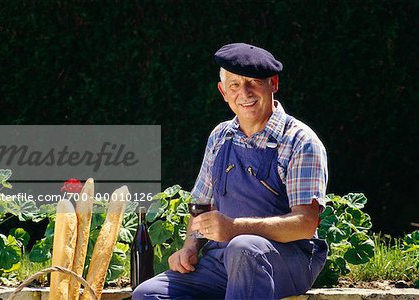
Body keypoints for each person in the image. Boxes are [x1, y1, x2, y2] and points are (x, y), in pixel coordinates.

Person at [133, 43, 329, 299]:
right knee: (148, 294)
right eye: (235, 85)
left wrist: (235, 228)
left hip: (286, 260)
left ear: (273, 83)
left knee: (244, 247)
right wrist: (190, 247)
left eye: (253, 82)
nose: (244, 93)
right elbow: (201, 207)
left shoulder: (300, 140)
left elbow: (305, 224)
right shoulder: (220, 136)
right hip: (222, 260)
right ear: (223, 91)